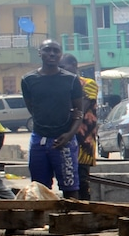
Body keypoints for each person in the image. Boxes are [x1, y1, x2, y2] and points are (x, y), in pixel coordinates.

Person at [21, 40, 85, 195]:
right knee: (38, 189)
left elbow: (79, 113)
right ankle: (43, 219)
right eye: (47, 50)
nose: (51, 54)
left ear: (60, 54)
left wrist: (69, 135)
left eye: (56, 51)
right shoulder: (28, 80)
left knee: (70, 189)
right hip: (39, 140)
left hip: (64, 141)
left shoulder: (71, 80)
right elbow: (33, 108)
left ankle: (72, 219)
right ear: (39, 52)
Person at [59, 53, 98, 200]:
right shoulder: (60, 84)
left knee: (81, 179)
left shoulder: (88, 84)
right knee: (67, 178)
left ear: (74, 66)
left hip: (84, 139)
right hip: (65, 137)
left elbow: (80, 107)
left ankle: (84, 211)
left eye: (63, 67)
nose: (61, 70)